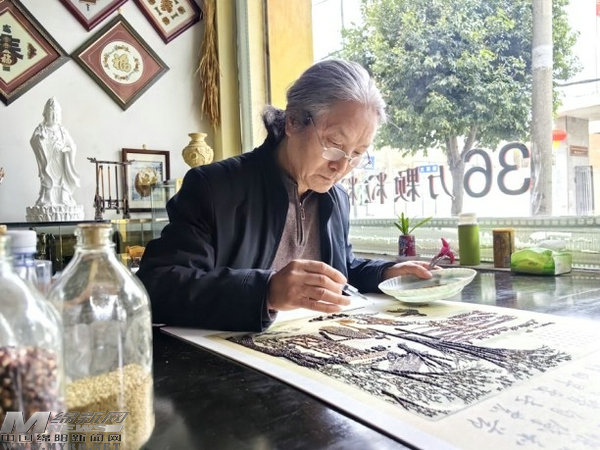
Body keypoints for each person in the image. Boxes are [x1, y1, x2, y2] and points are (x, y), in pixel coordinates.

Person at [137, 59, 434, 332]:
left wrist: (385, 273)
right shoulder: (215, 187)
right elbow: (157, 285)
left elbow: (340, 268)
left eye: (357, 154)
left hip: (315, 349)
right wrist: (266, 291)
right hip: (228, 360)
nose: (342, 167)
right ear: (293, 121)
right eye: (334, 144)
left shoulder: (335, 198)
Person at [30, 97, 80, 207]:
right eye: (51, 113)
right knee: (48, 179)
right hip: (48, 161)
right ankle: (47, 199)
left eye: (56, 114)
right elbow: (33, 140)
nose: (54, 116)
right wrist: (40, 139)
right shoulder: (41, 129)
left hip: (60, 162)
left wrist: (67, 150)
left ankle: (63, 198)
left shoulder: (62, 131)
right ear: (46, 114)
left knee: (61, 181)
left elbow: (72, 145)